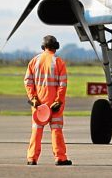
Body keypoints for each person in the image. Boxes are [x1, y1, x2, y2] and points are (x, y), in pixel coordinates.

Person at [24, 35, 72, 166]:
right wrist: (58, 100)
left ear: (43, 47)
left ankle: (32, 158)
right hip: (54, 105)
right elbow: (63, 84)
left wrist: (33, 98)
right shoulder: (59, 62)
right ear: (56, 47)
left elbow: (28, 82)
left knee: (36, 131)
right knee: (56, 130)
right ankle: (60, 158)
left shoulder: (34, 61)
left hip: (38, 105)